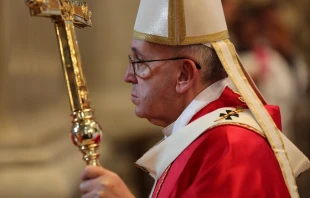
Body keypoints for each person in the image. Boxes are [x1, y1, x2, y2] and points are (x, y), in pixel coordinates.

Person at [79, 1, 310, 198]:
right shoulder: (205, 135)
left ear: (184, 76)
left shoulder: (231, 151)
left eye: (140, 62)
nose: (128, 76)